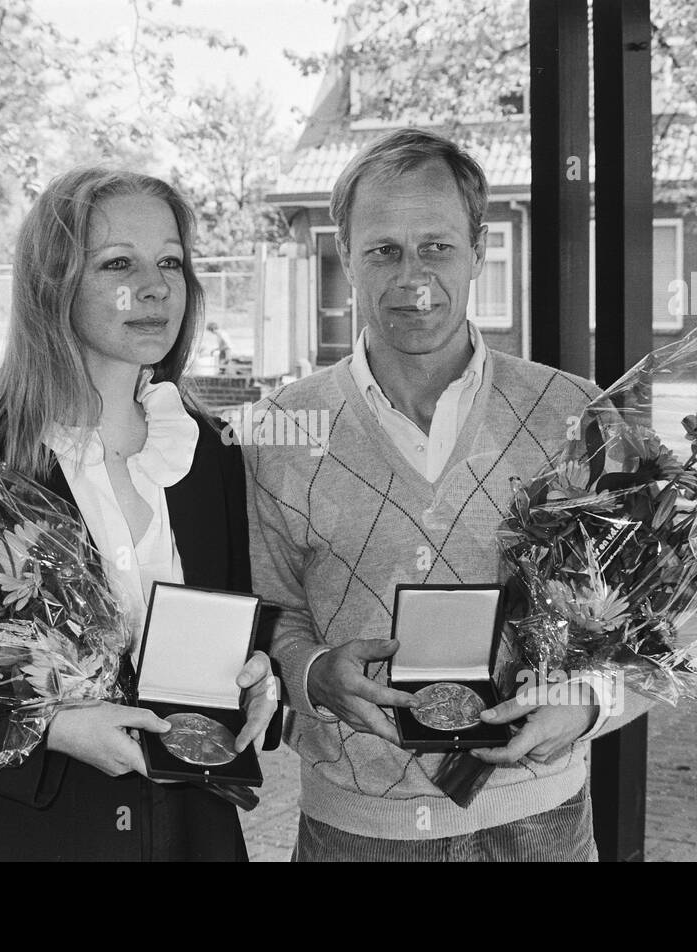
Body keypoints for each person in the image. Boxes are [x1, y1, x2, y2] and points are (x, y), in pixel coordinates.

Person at [0, 167, 279, 861]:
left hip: (190, 835)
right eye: (117, 264)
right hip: (24, 832)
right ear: (52, 282)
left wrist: (257, 682)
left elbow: (230, 631)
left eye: (170, 261)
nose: (155, 286)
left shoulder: (209, 450)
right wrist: (52, 729)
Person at [246, 128, 643, 862]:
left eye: (436, 247)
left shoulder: (573, 414)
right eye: (384, 250)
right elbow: (270, 612)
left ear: (479, 251)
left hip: (540, 824)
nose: (413, 276)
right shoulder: (281, 427)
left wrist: (588, 701)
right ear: (346, 257)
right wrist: (310, 674)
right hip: (352, 835)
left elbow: (655, 617)